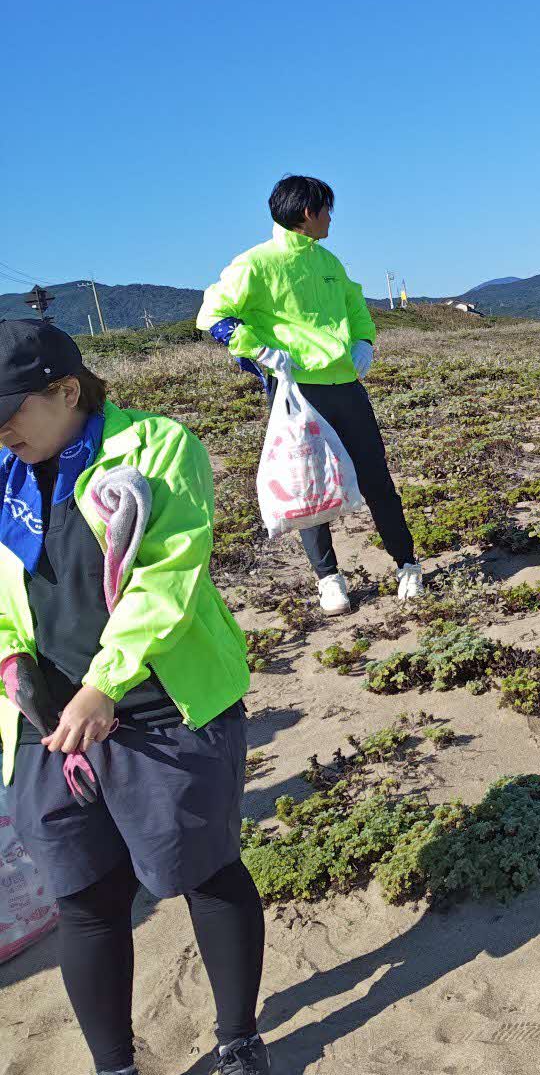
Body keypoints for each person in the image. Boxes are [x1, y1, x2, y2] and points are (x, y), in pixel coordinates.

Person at [0, 321, 269, 1075]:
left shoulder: (155, 447)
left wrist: (103, 683)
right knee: (84, 896)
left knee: (205, 867)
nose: (1, 429)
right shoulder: (3, 475)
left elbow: (166, 577)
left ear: (67, 390)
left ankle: (240, 1040)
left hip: (162, 704)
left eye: (10, 408)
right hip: (47, 723)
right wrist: (13, 663)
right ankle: (115, 1066)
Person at [198, 175, 423, 614]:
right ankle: (329, 579)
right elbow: (213, 316)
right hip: (296, 391)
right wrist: (257, 350)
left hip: (345, 385)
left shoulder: (329, 262)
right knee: (308, 485)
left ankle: (407, 563)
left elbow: (355, 306)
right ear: (308, 213)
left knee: (376, 477)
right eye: (327, 210)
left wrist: (364, 341)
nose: (331, 219)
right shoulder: (255, 264)